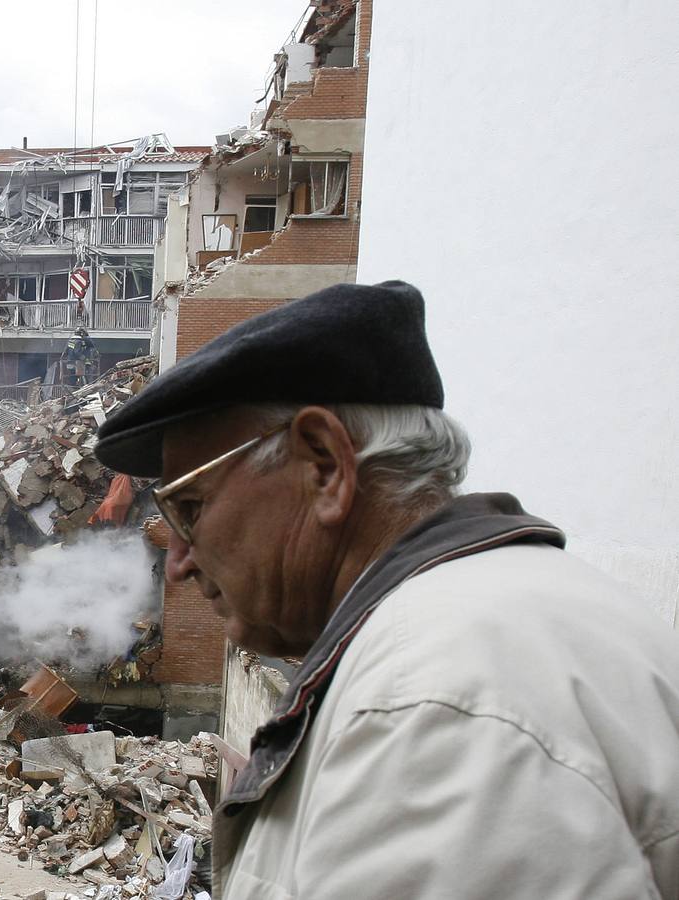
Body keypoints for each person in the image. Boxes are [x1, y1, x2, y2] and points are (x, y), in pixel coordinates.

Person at [92, 281, 679, 898]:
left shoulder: (428, 700)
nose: (178, 561)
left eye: (190, 508)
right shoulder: (513, 616)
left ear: (324, 465)